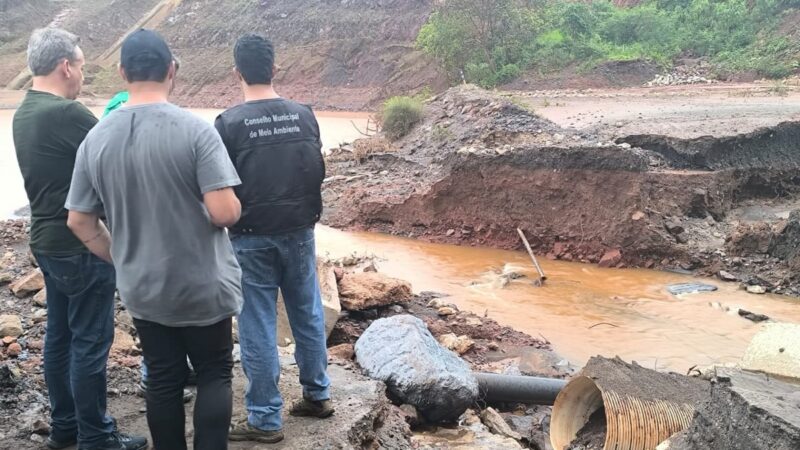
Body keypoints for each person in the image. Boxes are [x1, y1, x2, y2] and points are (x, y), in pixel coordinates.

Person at [65, 29, 243, 450]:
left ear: (123, 72)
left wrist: (121, 257)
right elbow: (223, 212)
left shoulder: (96, 139)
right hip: (204, 284)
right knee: (215, 372)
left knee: (162, 375)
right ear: (172, 71)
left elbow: (78, 221)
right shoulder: (196, 131)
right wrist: (235, 205)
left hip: (144, 288)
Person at [12, 28, 147, 450]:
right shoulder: (66, 114)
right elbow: (119, 155)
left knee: (60, 335)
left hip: (46, 240)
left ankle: (66, 427)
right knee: (90, 339)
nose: (83, 76)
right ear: (65, 66)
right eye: (83, 67)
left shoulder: (24, 111)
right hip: (80, 243)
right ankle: (97, 436)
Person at [215, 34, 333, 445]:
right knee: (308, 312)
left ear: (237, 72)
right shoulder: (304, 115)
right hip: (301, 231)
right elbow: (316, 169)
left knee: (258, 323)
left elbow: (220, 186)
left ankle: (265, 418)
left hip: (250, 238)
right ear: (275, 69)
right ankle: (317, 395)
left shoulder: (228, 123)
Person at [99, 59, 196, 404]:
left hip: (130, 228)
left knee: (153, 307)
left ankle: (167, 371)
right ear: (168, 74)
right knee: (164, 308)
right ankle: (153, 376)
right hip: (149, 230)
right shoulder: (134, 116)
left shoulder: (114, 113)